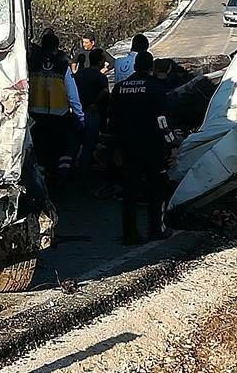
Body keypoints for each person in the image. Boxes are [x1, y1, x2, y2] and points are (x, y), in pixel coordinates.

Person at [109, 50, 175, 245]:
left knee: (129, 191)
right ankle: (156, 229)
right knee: (156, 189)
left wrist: (116, 147)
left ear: (135, 66)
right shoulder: (156, 88)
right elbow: (162, 121)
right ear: (150, 67)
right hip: (152, 146)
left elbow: (113, 120)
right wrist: (172, 142)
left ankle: (129, 234)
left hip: (128, 147)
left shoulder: (120, 88)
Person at [29, 29, 84, 191]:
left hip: (36, 118)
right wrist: (80, 117)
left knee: (40, 154)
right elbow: (72, 95)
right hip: (59, 117)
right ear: (56, 47)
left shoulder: (32, 64)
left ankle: (40, 186)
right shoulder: (62, 65)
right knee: (60, 152)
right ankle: (60, 184)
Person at [75, 47, 109, 185]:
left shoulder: (79, 74)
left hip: (77, 113)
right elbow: (105, 93)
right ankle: (85, 178)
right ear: (100, 61)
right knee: (89, 147)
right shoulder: (101, 77)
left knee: (76, 145)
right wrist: (96, 103)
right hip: (92, 114)